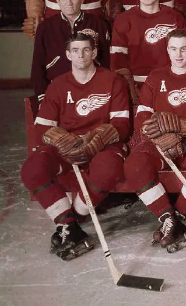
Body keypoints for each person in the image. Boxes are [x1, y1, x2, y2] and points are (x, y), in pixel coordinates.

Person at [21, 33, 130, 260]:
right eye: (76, 50)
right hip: (67, 147)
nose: (81, 55)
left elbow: (121, 124)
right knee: (32, 169)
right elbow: (42, 128)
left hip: (101, 145)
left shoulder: (113, 80)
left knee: (109, 169)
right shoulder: (57, 85)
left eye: (86, 50)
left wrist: (95, 140)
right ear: (68, 54)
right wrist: (64, 141)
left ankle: (73, 219)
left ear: (94, 52)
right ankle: (69, 226)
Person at [123, 29, 186, 252]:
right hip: (159, 140)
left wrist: (179, 127)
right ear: (167, 51)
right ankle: (167, 216)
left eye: (184, 48)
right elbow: (142, 117)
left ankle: (177, 217)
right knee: (134, 166)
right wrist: (161, 135)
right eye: (174, 49)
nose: (179, 54)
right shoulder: (156, 77)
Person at [110, 0, 186, 104]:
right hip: (138, 83)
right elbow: (118, 57)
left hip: (171, 80)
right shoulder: (124, 20)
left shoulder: (175, 17)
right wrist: (127, 86)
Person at [31, 0, 110, 103]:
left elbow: (107, 61)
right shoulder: (45, 27)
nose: (68, 3)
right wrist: (42, 96)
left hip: (93, 88)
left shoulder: (99, 24)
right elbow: (37, 64)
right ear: (57, 0)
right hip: (56, 89)